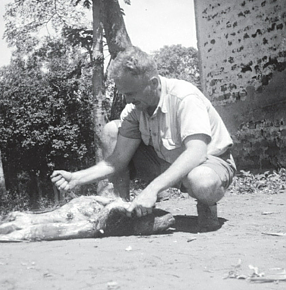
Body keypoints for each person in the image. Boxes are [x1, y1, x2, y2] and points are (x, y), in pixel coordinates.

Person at [51, 46, 236, 232]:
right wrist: (77, 177)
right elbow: (117, 160)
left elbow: (197, 153)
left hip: (208, 162)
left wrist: (151, 190)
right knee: (112, 130)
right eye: (123, 93)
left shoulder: (184, 97)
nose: (127, 99)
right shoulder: (135, 109)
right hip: (165, 161)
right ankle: (122, 210)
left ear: (153, 83)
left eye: (131, 93)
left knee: (201, 181)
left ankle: (207, 206)